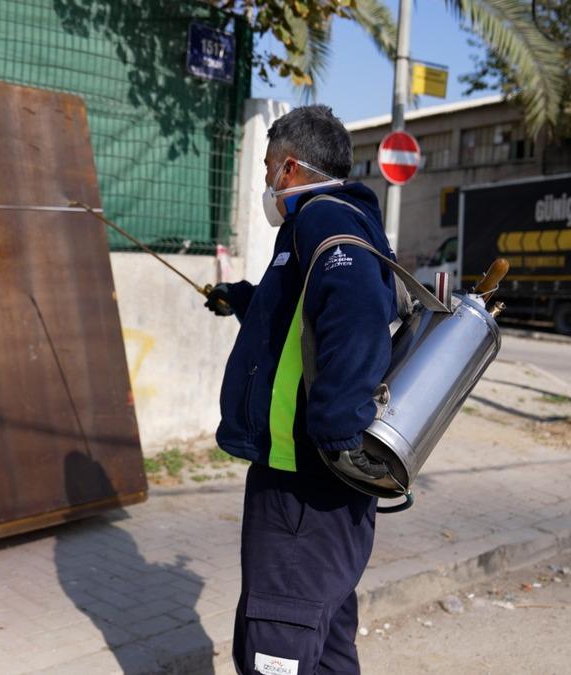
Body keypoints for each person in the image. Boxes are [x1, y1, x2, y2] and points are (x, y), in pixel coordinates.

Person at [205, 105, 397, 675]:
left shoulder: (323, 219)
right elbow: (299, 317)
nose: (266, 179)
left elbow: (355, 315)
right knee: (325, 639)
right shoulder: (323, 223)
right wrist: (242, 298)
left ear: (289, 167)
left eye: (268, 167)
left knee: (278, 642)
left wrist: (336, 434)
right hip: (312, 482)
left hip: (305, 483)